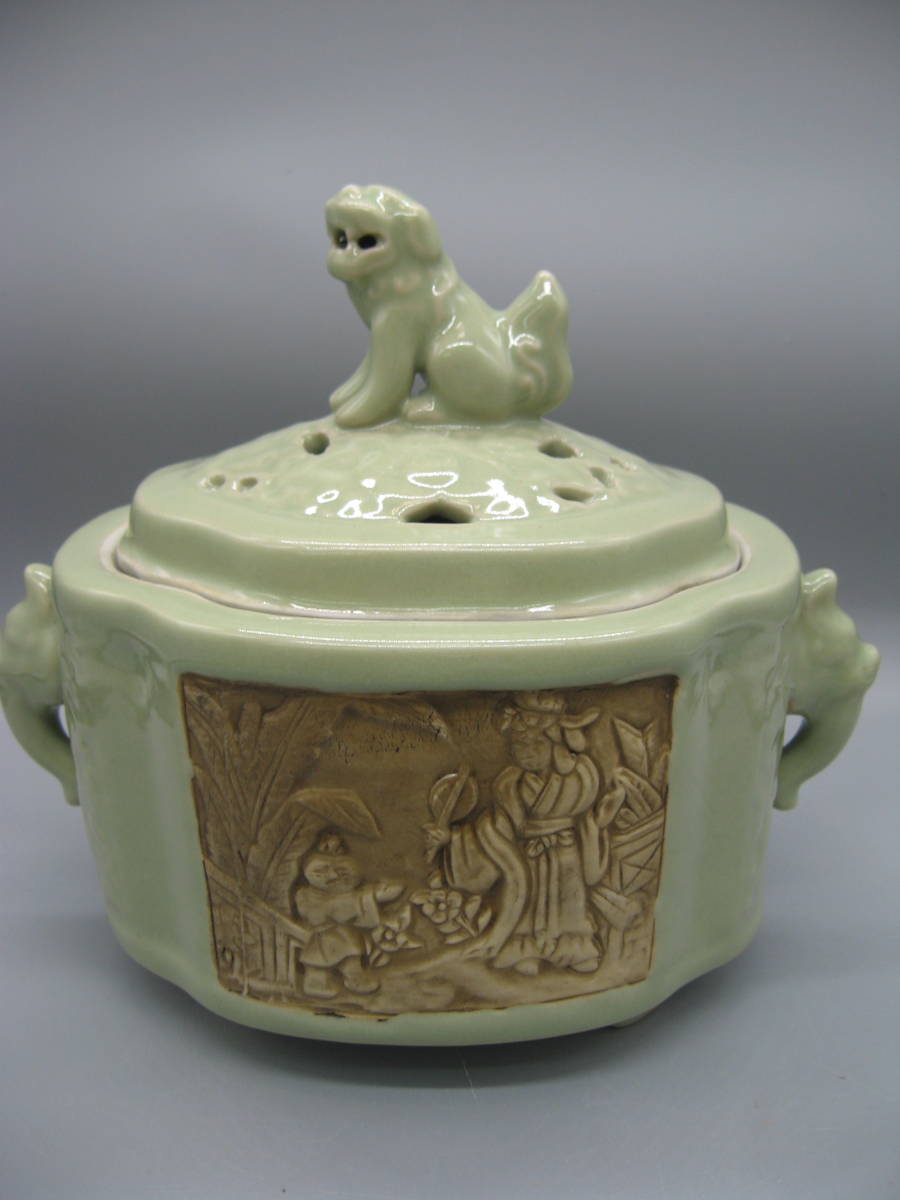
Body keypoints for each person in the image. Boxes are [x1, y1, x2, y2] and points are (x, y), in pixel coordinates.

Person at [424, 692, 626, 976]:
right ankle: (526, 949)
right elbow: (496, 827)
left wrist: (596, 825)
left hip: (566, 853)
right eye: (519, 745)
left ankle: (574, 948)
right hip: (528, 853)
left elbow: (587, 821)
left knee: (568, 903)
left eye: (535, 744)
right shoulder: (510, 784)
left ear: (555, 744)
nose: (525, 752)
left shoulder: (579, 778)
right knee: (529, 907)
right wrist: (453, 840)